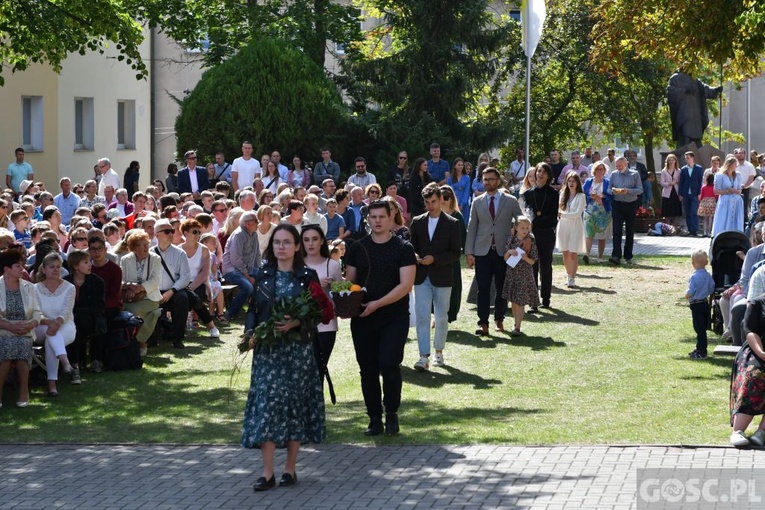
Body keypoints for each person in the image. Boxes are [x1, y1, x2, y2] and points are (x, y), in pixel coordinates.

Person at [241, 224, 327, 491]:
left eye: (287, 242)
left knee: (294, 407)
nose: (281, 247)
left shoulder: (307, 276)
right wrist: (249, 333)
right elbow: (254, 310)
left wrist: (297, 322)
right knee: (267, 407)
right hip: (268, 353)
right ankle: (267, 473)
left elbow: (320, 314)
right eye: (277, 242)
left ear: (297, 246)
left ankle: (290, 469)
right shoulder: (263, 275)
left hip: (298, 352)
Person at [346, 200, 416, 436]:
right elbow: (351, 284)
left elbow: (406, 285)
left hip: (393, 316)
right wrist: (338, 289)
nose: (377, 221)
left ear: (391, 217)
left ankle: (392, 413)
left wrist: (378, 303)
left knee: (389, 364)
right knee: (367, 369)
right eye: (372, 217)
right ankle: (374, 417)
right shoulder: (357, 247)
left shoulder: (403, 248)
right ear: (368, 219)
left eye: (381, 217)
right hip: (364, 316)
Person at [410, 183, 461, 371]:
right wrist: (414, 256)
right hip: (422, 276)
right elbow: (411, 246)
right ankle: (423, 356)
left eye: (433, 201)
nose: (431, 205)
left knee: (441, 317)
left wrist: (435, 259)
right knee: (422, 317)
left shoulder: (452, 223)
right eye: (427, 202)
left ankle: (439, 352)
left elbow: (456, 253)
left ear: (440, 200)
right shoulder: (417, 221)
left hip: (443, 276)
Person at [467, 167, 523, 333]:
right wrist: (469, 252)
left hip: (503, 251)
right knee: (482, 288)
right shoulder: (477, 202)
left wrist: (523, 241)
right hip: (482, 250)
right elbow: (472, 228)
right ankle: (482, 323)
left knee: (501, 288)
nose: (488, 182)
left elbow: (520, 222)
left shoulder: (511, 200)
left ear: (498, 181)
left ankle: (499, 319)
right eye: (485, 179)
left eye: (491, 179)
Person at [0, 246, 40, 407]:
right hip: (3, 329)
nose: (22, 269)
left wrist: (29, 324)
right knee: (7, 349)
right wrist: (9, 327)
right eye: (18, 266)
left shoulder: (29, 287)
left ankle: (23, 391)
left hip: (25, 329)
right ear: (6, 269)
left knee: (23, 346)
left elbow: (37, 313)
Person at [302, 225, 342, 383]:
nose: (310, 243)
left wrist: (332, 287)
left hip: (327, 323)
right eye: (306, 240)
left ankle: (315, 406)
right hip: (301, 322)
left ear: (321, 242)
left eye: (314, 239)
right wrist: (315, 283)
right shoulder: (295, 265)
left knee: (319, 368)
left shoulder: (333, 265)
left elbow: (340, 295)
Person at [34, 252, 77, 395]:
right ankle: (65, 362)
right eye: (51, 267)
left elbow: (66, 311)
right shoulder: (35, 289)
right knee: (50, 332)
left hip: (66, 326)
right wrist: (48, 322)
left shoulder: (70, 287)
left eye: (58, 267)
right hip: (41, 325)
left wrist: (56, 323)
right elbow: (36, 312)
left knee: (50, 339)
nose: (55, 269)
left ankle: (52, 384)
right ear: (44, 269)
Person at [729, 295, 765, 447]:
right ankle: (738, 431)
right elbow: (749, 331)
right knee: (754, 376)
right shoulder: (757, 303)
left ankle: (762, 432)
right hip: (756, 351)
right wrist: (762, 354)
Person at [119, 231, 162, 357]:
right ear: (133, 247)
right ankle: (127, 344)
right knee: (122, 310)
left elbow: (155, 280)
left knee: (132, 311)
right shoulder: (125, 260)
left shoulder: (155, 258)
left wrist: (139, 288)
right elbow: (120, 279)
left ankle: (140, 342)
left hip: (150, 297)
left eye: (146, 244)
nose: (145, 247)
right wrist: (128, 287)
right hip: (130, 297)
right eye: (140, 245)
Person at [522, 163, 559, 308]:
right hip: (532, 234)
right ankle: (533, 300)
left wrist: (535, 222)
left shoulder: (553, 193)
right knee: (532, 266)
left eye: (544, 172)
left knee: (546, 266)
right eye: (538, 171)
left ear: (548, 175)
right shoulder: (528, 194)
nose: (540, 174)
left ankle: (546, 299)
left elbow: (552, 217)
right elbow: (525, 213)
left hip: (547, 233)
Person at [179, 219, 221, 338]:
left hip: (199, 283)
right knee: (185, 299)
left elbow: (204, 273)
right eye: (195, 232)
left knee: (194, 298)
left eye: (199, 232)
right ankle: (210, 327)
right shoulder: (178, 249)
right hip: (181, 283)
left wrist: (190, 288)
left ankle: (212, 327)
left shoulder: (204, 249)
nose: (198, 235)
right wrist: (184, 287)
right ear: (186, 233)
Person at [666, 69, 723, 148]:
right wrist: (684, 91)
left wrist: (715, 90)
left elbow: (704, 89)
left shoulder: (695, 80)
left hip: (696, 113)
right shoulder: (675, 78)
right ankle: (684, 149)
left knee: (696, 134)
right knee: (685, 132)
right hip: (683, 112)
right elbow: (671, 91)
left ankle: (697, 150)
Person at [501, 216, 539, 336]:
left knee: (521, 300)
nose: (525, 230)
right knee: (514, 300)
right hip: (512, 273)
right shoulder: (511, 240)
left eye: (527, 228)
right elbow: (505, 258)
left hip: (524, 274)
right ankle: (515, 322)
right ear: (516, 228)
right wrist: (509, 252)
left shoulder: (531, 242)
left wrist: (525, 258)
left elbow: (533, 261)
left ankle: (518, 326)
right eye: (522, 227)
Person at [221, 211, 261, 322]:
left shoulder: (254, 234)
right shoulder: (239, 235)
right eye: (256, 221)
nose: (258, 223)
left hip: (247, 269)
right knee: (248, 287)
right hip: (232, 270)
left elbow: (257, 254)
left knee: (266, 279)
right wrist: (248, 276)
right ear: (248, 223)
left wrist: (259, 270)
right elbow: (235, 260)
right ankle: (230, 313)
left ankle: (258, 311)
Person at [609, 156, 642, 265]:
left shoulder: (635, 174)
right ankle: (616, 256)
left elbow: (640, 190)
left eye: (620, 166)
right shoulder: (614, 174)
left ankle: (628, 256)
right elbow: (608, 189)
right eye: (617, 166)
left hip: (630, 204)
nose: (618, 168)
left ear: (626, 164)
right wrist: (613, 191)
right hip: (617, 204)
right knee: (616, 230)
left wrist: (628, 191)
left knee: (629, 231)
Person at [439, 185, 466, 323]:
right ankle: (437, 315)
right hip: (437, 258)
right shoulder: (434, 215)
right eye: (440, 196)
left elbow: (463, 238)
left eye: (446, 197)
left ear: (451, 199)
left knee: (453, 287)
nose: (443, 200)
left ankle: (450, 314)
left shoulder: (457, 216)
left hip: (452, 257)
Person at [556, 171, 586, 288]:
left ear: (578, 183)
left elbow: (577, 213)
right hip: (563, 226)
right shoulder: (563, 193)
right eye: (569, 180)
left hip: (575, 226)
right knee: (565, 253)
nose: (571, 183)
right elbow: (559, 209)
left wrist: (562, 215)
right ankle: (568, 275)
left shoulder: (581, 196)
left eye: (574, 181)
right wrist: (561, 215)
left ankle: (572, 278)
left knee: (573, 253)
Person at [684, 249, 715, 360]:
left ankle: (702, 351)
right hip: (705, 303)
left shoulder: (694, 277)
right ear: (706, 263)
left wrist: (687, 295)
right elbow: (712, 288)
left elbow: (691, 290)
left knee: (699, 329)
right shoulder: (708, 276)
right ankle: (700, 348)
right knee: (703, 328)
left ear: (693, 264)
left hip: (696, 304)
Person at [582, 162, 612, 263]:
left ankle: (600, 257)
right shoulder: (588, 181)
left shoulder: (608, 182)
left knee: (602, 235)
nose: (599, 171)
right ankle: (587, 255)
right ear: (594, 170)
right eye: (597, 169)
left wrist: (604, 197)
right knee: (588, 233)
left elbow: (612, 196)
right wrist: (590, 197)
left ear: (604, 171)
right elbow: (583, 194)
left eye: (601, 169)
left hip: (604, 211)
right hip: (590, 211)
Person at [711, 155, 744, 238]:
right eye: (735, 164)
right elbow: (716, 191)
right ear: (730, 165)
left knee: (736, 220)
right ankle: (720, 236)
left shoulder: (738, 175)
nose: (736, 166)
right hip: (725, 201)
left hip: (736, 201)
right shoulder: (720, 175)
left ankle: (736, 236)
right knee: (723, 219)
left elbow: (739, 188)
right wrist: (728, 191)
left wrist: (738, 191)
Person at [678, 151, 704, 237]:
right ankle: (689, 229)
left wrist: (700, 193)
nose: (686, 160)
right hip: (685, 193)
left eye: (688, 158)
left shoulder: (699, 168)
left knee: (693, 212)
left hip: (695, 193)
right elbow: (681, 182)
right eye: (685, 158)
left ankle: (694, 230)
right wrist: (680, 194)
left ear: (693, 158)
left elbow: (701, 182)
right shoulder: (683, 169)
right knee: (687, 212)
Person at [660, 154, 683, 229]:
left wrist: (680, 194)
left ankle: (674, 228)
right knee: (667, 212)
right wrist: (670, 184)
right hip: (667, 193)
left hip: (676, 193)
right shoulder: (664, 171)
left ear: (675, 161)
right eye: (669, 160)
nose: (671, 162)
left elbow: (680, 181)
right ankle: (668, 228)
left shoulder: (679, 171)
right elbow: (662, 183)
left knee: (676, 211)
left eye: (672, 160)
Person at [447, 158, 471, 224]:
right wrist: (454, 203)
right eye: (459, 165)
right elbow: (449, 191)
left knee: (463, 223)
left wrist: (461, 205)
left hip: (464, 205)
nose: (461, 166)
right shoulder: (450, 178)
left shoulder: (466, 178)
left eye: (462, 165)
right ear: (455, 166)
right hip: (453, 204)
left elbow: (467, 192)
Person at [698, 172, 717, 237]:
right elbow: (716, 196)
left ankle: (704, 232)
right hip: (712, 202)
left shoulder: (703, 187)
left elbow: (701, 196)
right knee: (710, 218)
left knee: (705, 218)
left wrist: (700, 201)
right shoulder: (714, 188)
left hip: (704, 202)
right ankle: (710, 232)